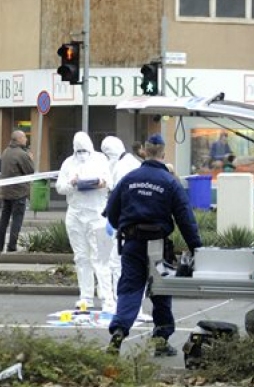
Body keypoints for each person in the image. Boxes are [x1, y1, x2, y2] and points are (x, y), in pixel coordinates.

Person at [105, 134, 202, 356]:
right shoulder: (169, 182)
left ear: (144, 152)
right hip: (158, 247)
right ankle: (160, 339)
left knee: (129, 287)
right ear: (163, 154)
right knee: (161, 290)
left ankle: (119, 331)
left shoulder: (129, 179)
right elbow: (185, 218)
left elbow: (111, 211)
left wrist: (122, 225)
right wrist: (197, 248)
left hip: (132, 245)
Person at [55, 131, 113, 310]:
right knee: (81, 258)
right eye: (78, 151)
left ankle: (107, 299)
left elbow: (110, 182)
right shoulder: (68, 163)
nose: (81, 154)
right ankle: (86, 297)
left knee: (100, 258)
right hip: (75, 213)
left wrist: (99, 182)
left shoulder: (100, 160)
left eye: (84, 150)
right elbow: (59, 187)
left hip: (97, 214)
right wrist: (72, 183)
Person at [99, 136, 141, 313]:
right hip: (137, 220)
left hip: (126, 222)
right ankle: (131, 304)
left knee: (117, 263)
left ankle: (121, 302)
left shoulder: (121, 167)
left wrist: (111, 217)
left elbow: (117, 196)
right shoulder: (132, 162)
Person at [0, 131, 34, 256]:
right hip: (18, 192)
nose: (26, 139)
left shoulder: (5, 152)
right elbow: (30, 171)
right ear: (18, 139)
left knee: (4, 219)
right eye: (24, 137)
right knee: (17, 219)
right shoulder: (21, 154)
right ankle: (12, 246)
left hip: (5, 192)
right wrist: (30, 159)